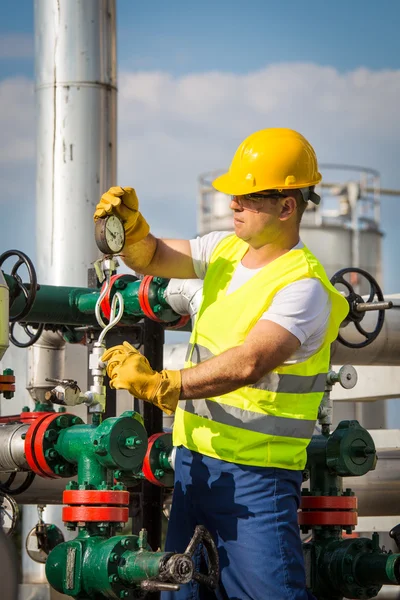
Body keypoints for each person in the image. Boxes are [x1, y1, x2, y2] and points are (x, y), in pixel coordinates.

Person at [96, 128, 349, 600]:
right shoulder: (224, 251)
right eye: (234, 192)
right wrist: (129, 235)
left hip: (257, 484)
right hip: (195, 469)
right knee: (181, 592)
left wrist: (160, 384)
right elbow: (150, 257)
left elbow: (248, 362)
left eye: (249, 196)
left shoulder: (304, 287)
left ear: (287, 206)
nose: (234, 202)